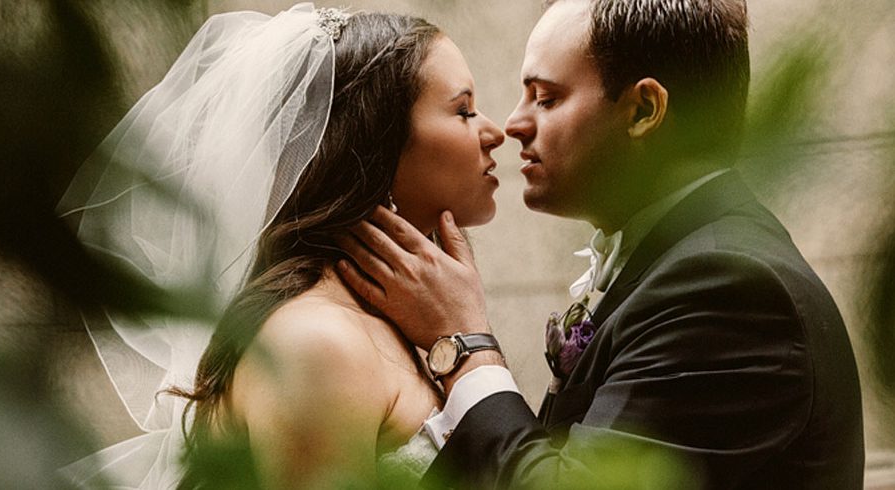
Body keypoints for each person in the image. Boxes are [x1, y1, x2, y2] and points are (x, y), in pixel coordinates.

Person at [336, 0, 865, 488]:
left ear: (642, 111)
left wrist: (465, 343)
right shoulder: (680, 259)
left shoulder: (729, 288)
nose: (514, 124)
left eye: (546, 98)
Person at [57, 3, 505, 488]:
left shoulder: (383, 319)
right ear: (377, 144)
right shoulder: (317, 343)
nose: (495, 132)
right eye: (463, 110)